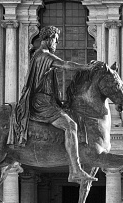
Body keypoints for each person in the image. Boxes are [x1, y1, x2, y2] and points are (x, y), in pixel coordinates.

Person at [9, 25, 97, 183]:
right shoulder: (43, 54)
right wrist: (87, 68)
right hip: (41, 102)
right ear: (48, 39)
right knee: (71, 126)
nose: (56, 44)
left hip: (47, 100)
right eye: (55, 41)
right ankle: (76, 170)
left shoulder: (41, 55)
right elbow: (65, 65)